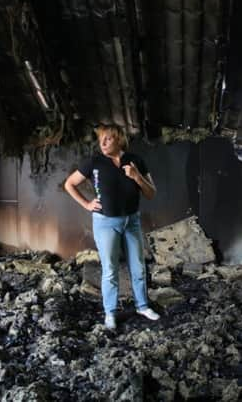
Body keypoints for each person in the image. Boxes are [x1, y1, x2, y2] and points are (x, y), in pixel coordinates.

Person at [64, 123, 160, 330]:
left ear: (119, 139)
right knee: (110, 270)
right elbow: (69, 184)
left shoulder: (136, 161)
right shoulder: (94, 162)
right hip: (105, 223)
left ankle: (142, 306)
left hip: (131, 221)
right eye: (101, 140)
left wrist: (137, 177)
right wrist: (87, 204)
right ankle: (110, 313)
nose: (103, 143)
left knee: (138, 267)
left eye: (108, 138)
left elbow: (151, 193)